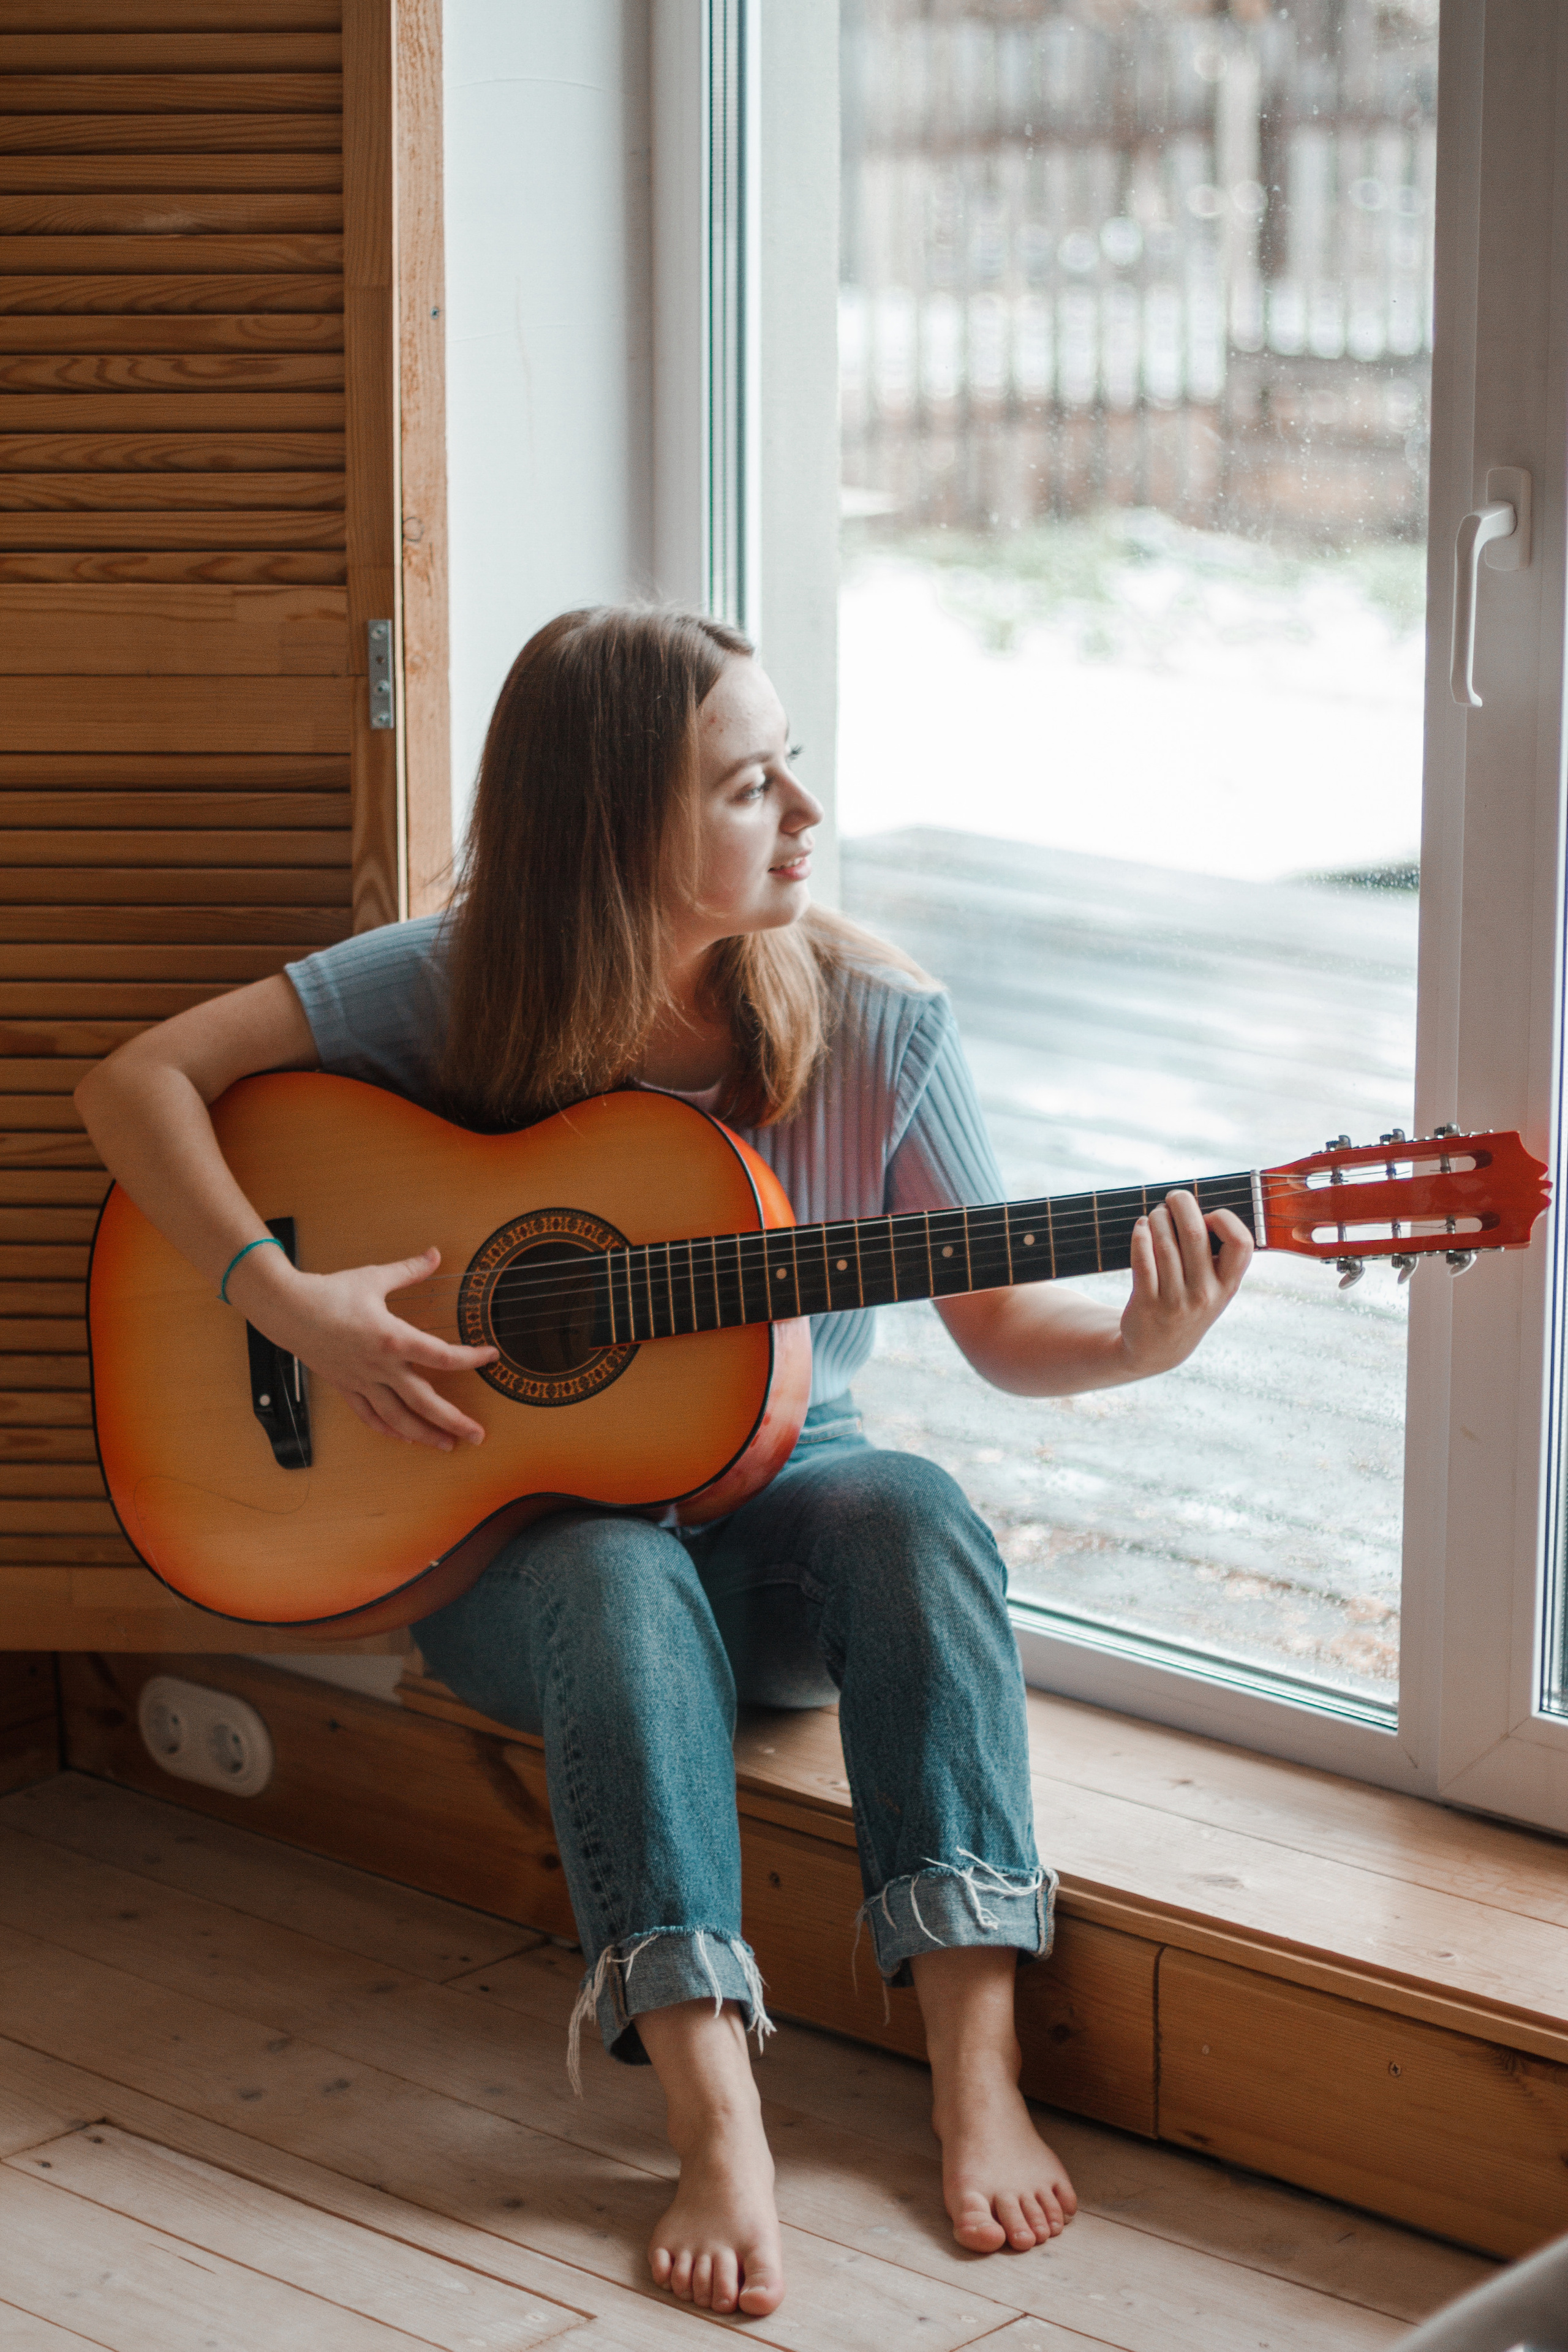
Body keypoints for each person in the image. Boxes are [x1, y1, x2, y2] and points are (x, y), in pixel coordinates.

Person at [77, 605, 1252, 2321]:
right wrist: (288, 1300)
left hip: (782, 1518)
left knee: (914, 1507)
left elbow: (1003, 1336)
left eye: (793, 769)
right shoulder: (452, 984)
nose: (803, 814)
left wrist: (1141, 1343)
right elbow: (137, 1087)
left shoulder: (874, 1025)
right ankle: (718, 2121)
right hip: (516, 1560)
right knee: (616, 1566)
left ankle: (974, 2063)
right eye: (746, 784)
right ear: (612, 821)